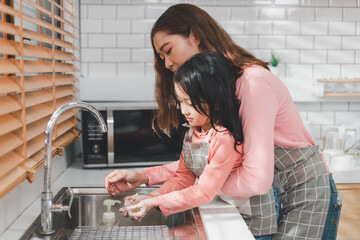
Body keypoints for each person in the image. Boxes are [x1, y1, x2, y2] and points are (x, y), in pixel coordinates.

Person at [106, 3, 338, 240]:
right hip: (276, 195)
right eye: (161, 56)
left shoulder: (251, 83)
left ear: (195, 35)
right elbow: (215, 162)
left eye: (168, 50)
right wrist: (145, 176)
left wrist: (202, 188)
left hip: (306, 192)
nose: (166, 63)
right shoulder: (215, 90)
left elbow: (253, 180)